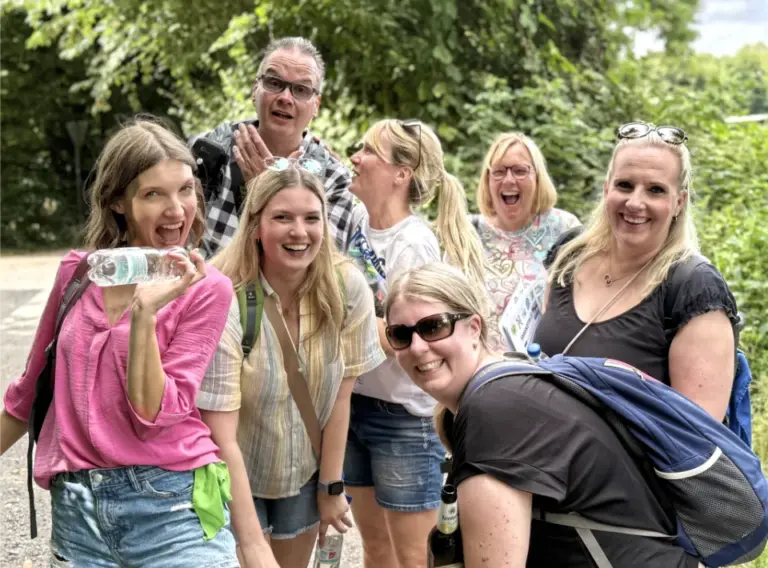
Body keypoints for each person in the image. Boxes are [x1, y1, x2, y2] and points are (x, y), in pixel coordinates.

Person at [0, 119, 242, 567]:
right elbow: (29, 392)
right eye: (154, 194)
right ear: (117, 202)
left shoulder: (208, 289)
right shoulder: (77, 273)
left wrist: (145, 314)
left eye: (186, 190)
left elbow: (155, 412)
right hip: (78, 514)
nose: (177, 210)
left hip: (171, 508)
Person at [384, 262, 704, 567]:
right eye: (400, 335)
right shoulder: (510, 378)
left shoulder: (494, 409)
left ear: (473, 328)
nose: (417, 347)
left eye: (433, 327)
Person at [197, 161, 385, 568]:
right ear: (256, 226)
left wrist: (330, 485)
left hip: (302, 473)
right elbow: (218, 429)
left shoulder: (346, 288)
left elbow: (341, 398)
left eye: (311, 218)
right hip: (232, 472)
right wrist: (250, 542)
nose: (299, 232)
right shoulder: (223, 294)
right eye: (282, 217)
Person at [342, 119, 485, 568]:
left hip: (402, 419)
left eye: (367, 150)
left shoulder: (413, 243)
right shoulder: (356, 223)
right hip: (355, 406)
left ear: (400, 173)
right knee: (375, 548)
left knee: (414, 556)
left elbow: (408, 338)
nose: (355, 158)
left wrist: (334, 330)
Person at [535, 121, 738, 420]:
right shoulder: (570, 253)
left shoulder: (694, 288)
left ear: (678, 202)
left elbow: (697, 438)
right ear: (607, 189)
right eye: (624, 185)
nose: (635, 202)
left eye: (655, 190)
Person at [190, 36, 354, 256]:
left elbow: (325, 270)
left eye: (302, 90)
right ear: (254, 90)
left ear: (316, 105)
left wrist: (267, 192)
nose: (286, 98)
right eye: (274, 83)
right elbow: (175, 246)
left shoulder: (333, 178)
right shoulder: (207, 152)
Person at [471, 132, 580, 353]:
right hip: (479, 368)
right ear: (487, 181)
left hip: (547, 365)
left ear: (537, 178)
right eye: (499, 172)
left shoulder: (565, 228)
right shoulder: (468, 233)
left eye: (520, 171)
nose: (509, 179)